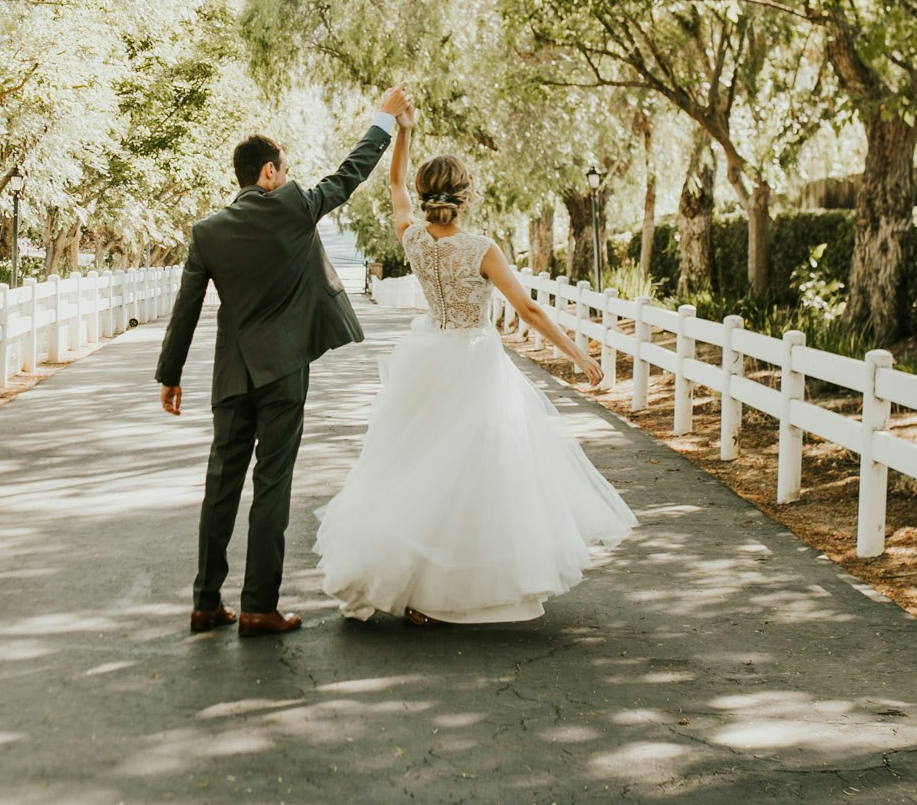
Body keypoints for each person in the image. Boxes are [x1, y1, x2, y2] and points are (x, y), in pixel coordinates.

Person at [314, 100, 636, 624]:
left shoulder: (413, 237)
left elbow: (393, 187)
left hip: (425, 358)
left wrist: (404, 131)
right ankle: (445, 591)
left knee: (416, 467)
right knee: (469, 474)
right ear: (464, 198)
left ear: (426, 197)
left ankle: (413, 585)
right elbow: (527, 308)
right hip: (472, 363)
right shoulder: (481, 247)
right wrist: (576, 351)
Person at [155, 83, 412, 637]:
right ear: (269, 172)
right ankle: (257, 607)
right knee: (272, 484)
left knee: (221, 483)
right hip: (284, 372)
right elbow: (351, 173)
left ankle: (204, 602)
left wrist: (170, 376)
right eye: (284, 167)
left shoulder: (207, 232)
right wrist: (384, 120)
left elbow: (186, 309)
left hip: (231, 374)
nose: (288, 175)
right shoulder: (295, 208)